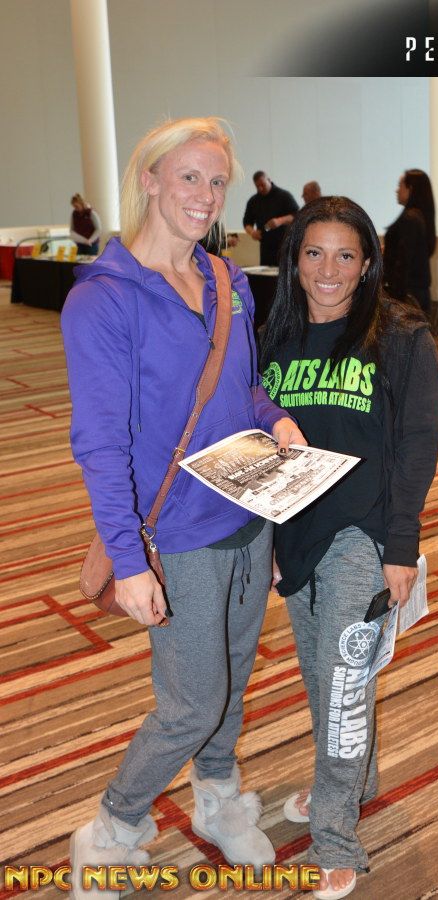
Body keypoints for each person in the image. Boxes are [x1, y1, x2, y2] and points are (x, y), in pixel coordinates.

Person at [61, 118, 304, 897]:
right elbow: (100, 444)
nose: (206, 195)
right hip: (177, 537)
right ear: (150, 181)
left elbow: (244, 391)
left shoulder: (226, 281)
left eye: (217, 181)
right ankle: (112, 827)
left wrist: (277, 421)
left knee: (231, 678)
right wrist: (127, 559)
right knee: (190, 703)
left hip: (247, 514)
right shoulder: (104, 300)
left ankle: (217, 796)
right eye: (189, 177)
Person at [261, 196, 438, 899]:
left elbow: (419, 444)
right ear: (294, 260)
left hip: (362, 536)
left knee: (342, 685)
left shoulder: (398, 336)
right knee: (325, 677)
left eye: (346, 255)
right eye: (314, 253)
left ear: (368, 262)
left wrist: (400, 546)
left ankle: (336, 834)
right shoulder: (275, 335)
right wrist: (267, 535)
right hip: (295, 535)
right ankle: (356, 780)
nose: (329, 270)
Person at [383, 169, 438, 430]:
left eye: (400, 185)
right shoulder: (419, 218)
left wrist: (391, 295)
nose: (397, 190)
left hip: (405, 296)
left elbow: (403, 263)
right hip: (412, 294)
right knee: (410, 355)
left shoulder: (411, 219)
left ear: (411, 189)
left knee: (408, 355)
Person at [243, 171, 299, 265]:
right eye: (257, 186)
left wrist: (280, 221)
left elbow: (297, 216)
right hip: (266, 248)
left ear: (269, 180)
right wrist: (252, 232)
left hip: (285, 246)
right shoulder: (253, 201)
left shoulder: (284, 196)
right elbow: (247, 222)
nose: (260, 188)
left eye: (263, 185)